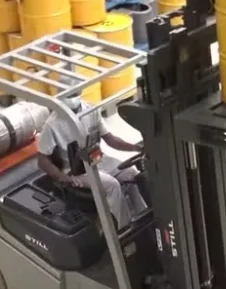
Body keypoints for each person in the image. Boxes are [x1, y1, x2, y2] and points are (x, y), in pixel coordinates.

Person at [37, 94, 147, 229]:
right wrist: (63, 177)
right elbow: (42, 161)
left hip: (98, 159)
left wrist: (135, 148)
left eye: (74, 94)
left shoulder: (90, 110)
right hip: (76, 171)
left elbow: (110, 139)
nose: (72, 98)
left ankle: (144, 217)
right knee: (112, 185)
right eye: (68, 95)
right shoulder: (52, 125)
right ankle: (124, 228)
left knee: (132, 174)